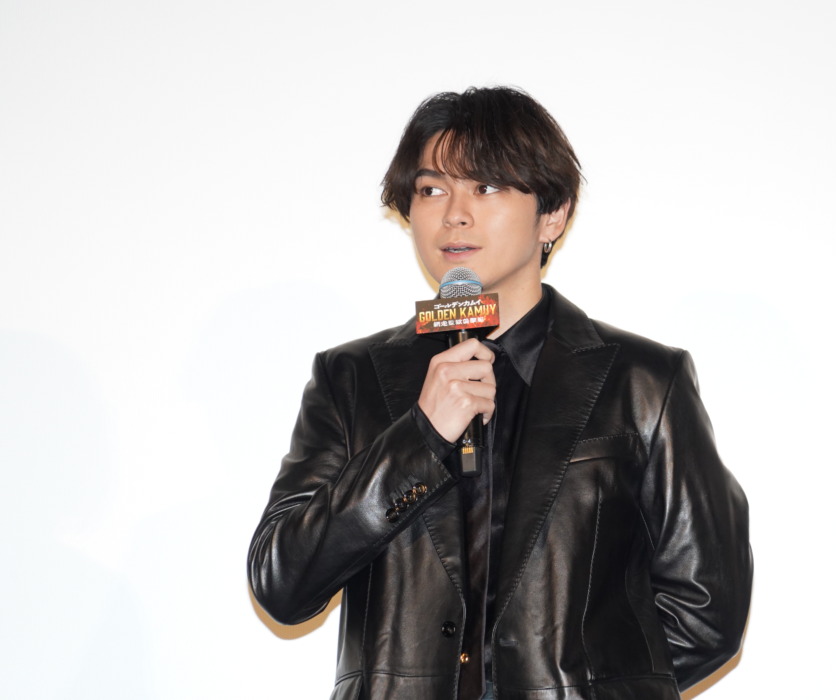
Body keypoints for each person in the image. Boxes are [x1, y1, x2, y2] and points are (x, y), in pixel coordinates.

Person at [248, 86, 752, 700]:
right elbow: (283, 584)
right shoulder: (349, 378)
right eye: (431, 190)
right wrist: (419, 439)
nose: (455, 214)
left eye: (486, 187)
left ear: (553, 214)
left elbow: (706, 609)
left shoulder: (643, 381)